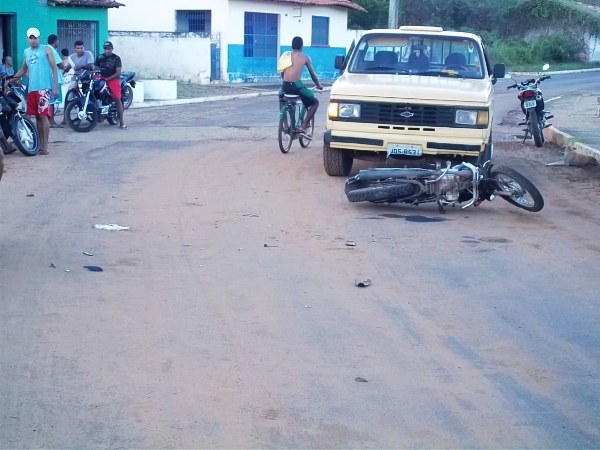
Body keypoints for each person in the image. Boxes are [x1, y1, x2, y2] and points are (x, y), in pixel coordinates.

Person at [10, 27, 59, 156]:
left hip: (44, 88)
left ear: (39, 38)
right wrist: (10, 80)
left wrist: (55, 87)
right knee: (37, 117)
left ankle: (45, 146)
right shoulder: (26, 52)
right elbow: (23, 69)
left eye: (35, 38)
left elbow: (54, 68)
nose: (33, 40)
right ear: (27, 39)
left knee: (43, 116)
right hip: (32, 88)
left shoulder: (46, 49)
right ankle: (39, 144)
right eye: (30, 38)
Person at [278, 36, 323, 137]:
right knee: (315, 102)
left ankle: (285, 125)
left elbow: (282, 74)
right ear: (302, 46)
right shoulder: (305, 57)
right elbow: (312, 75)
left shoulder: (285, 56)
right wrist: (318, 85)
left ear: (292, 46)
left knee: (281, 99)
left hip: (285, 85)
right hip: (297, 86)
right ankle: (303, 126)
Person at [95, 41, 126, 128]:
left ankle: (122, 122)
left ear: (112, 49)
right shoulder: (99, 57)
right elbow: (95, 68)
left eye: (108, 49)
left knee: (117, 98)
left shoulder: (116, 58)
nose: (106, 50)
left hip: (112, 79)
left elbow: (118, 73)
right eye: (105, 48)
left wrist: (108, 79)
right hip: (101, 77)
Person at [47, 34, 65, 128]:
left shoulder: (45, 49)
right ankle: (51, 121)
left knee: (49, 100)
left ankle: (49, 120)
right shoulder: (52, 50)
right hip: (54, 78)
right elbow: (61, 65)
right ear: (55, 41)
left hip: (47, 78)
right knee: (52, 101)